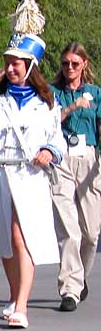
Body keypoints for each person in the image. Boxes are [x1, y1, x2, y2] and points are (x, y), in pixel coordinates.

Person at [0, 0, 66, 329]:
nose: (10, 68)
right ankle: (15, 295)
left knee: (19, 236)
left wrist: (49, 152)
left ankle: (22, 307)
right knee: (6, 244)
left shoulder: (47, 105)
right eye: (8, 63)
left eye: (17, 64)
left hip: (29, 179)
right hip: (1, 178)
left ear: (30, 68)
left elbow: (57, 141)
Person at [49, 42, 100, 312]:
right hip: (61, 159)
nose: (70, 68)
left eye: (75, 64)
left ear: (84, 65)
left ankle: (80, 277)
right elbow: (47, 121)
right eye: (66, 63)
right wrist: (71, 108)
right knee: (69, 229)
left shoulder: (95, 93)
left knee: (91, 233)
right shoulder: (52, 92)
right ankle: (70, 289)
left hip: (89, 158)